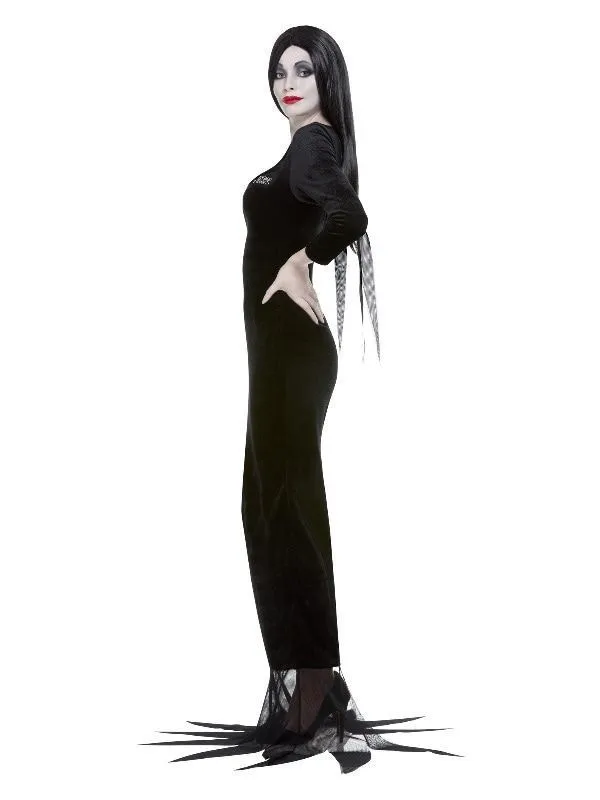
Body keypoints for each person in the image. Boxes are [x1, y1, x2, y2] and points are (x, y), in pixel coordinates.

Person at [140, 25, 459, 773]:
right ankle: (302, 690)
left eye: (304, 70)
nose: (289, 83)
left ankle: (316, 699)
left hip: (291, 355)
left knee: (287, 506)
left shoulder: (314, 145)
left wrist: (299, 262)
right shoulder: (300, 150)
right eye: (280, 70)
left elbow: (350, 216)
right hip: (277, 356)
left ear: (327, 80)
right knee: (265, 507)